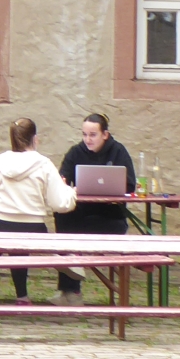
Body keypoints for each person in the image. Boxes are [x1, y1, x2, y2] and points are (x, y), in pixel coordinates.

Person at [0, 117, 76, 303]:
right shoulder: (44, 164)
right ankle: (24, 293)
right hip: (33, 227)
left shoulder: (0, 162)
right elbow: (60, 204)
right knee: (20, 246)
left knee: (8, 237)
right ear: (35, 139)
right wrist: (72, 193)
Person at [53, 112, 137, 305]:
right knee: (62, 214)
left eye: (92, 135)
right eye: (84, 134)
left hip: (110, 217)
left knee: (70, 236)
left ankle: (70, 289)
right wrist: (66, 185)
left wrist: (112, 190)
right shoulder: (75, 152)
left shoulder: (118, 151)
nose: (87, 139)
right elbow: (62, 179)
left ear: (104, 135)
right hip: (81, 214)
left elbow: (130, 184)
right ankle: (70, 291)